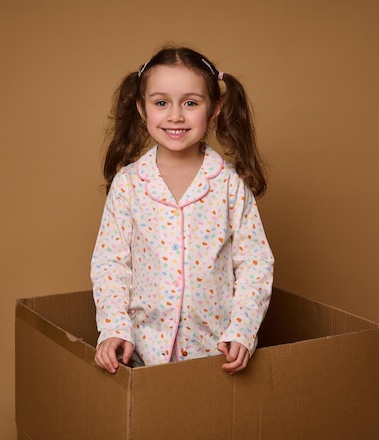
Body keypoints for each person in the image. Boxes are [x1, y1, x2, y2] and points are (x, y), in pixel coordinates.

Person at [90, 45, 274, 375]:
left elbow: (254, 263)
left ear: (215, 109)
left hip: (214, 354)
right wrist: (114, 328)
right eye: (161, 103)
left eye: (190, 103)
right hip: (142, 353)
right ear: (142, 109)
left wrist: (242, 331)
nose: (175, 116)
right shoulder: (129, 184)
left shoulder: (230, 184)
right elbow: (111, 263)